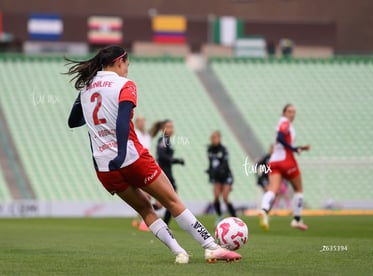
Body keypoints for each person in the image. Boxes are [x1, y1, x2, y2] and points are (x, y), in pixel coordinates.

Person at [65, 46, 241, 264]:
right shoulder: (125, 85)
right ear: (120, 61)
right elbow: (122, 121)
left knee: (145, 210)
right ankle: (212, 247)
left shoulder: (86, 87)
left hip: (104, 168)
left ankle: (179, 252)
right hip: (131, 158)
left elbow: (73, 122)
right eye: (127, 64)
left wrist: (90, 109)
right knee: (172, 201)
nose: (127, 69)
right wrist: (120, 154)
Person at [259, 104, 310, 231]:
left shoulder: (284, 123)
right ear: (284, 113)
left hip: (274, 161)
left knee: (273, 190)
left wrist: (300, 148)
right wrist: (293, 149)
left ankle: (264, 209)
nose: (292, 114)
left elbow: (282, 141)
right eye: (289, 111)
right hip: (287, 161)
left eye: (293, 111)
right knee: (299, 189)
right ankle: (296, 219)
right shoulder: (285, 123)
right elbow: (280, 137)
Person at [150, 120, 184, 226]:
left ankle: (162, 223)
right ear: (163, 129)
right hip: (165, 175)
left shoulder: (166, 140)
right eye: (168, 127)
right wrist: (176, 160)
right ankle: (164, 224)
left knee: (162, 204)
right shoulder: (163, 140)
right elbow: (162, 156)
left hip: (167, 174)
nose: (171, 129)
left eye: (172, 127)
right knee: (173, 201)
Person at [206, 131, 236, 224]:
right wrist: (210, 172)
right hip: (216, 177)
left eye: (215, 137)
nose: (214, 139)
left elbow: (225, 164)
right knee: (215, 197)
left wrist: (217, 170)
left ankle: (235, 217)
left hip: (226, 176)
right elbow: (211, 163)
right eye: (212, 138)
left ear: (219, 138)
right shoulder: (210, 150)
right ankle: (219, 216)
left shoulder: (223, 149)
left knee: (225, 198)